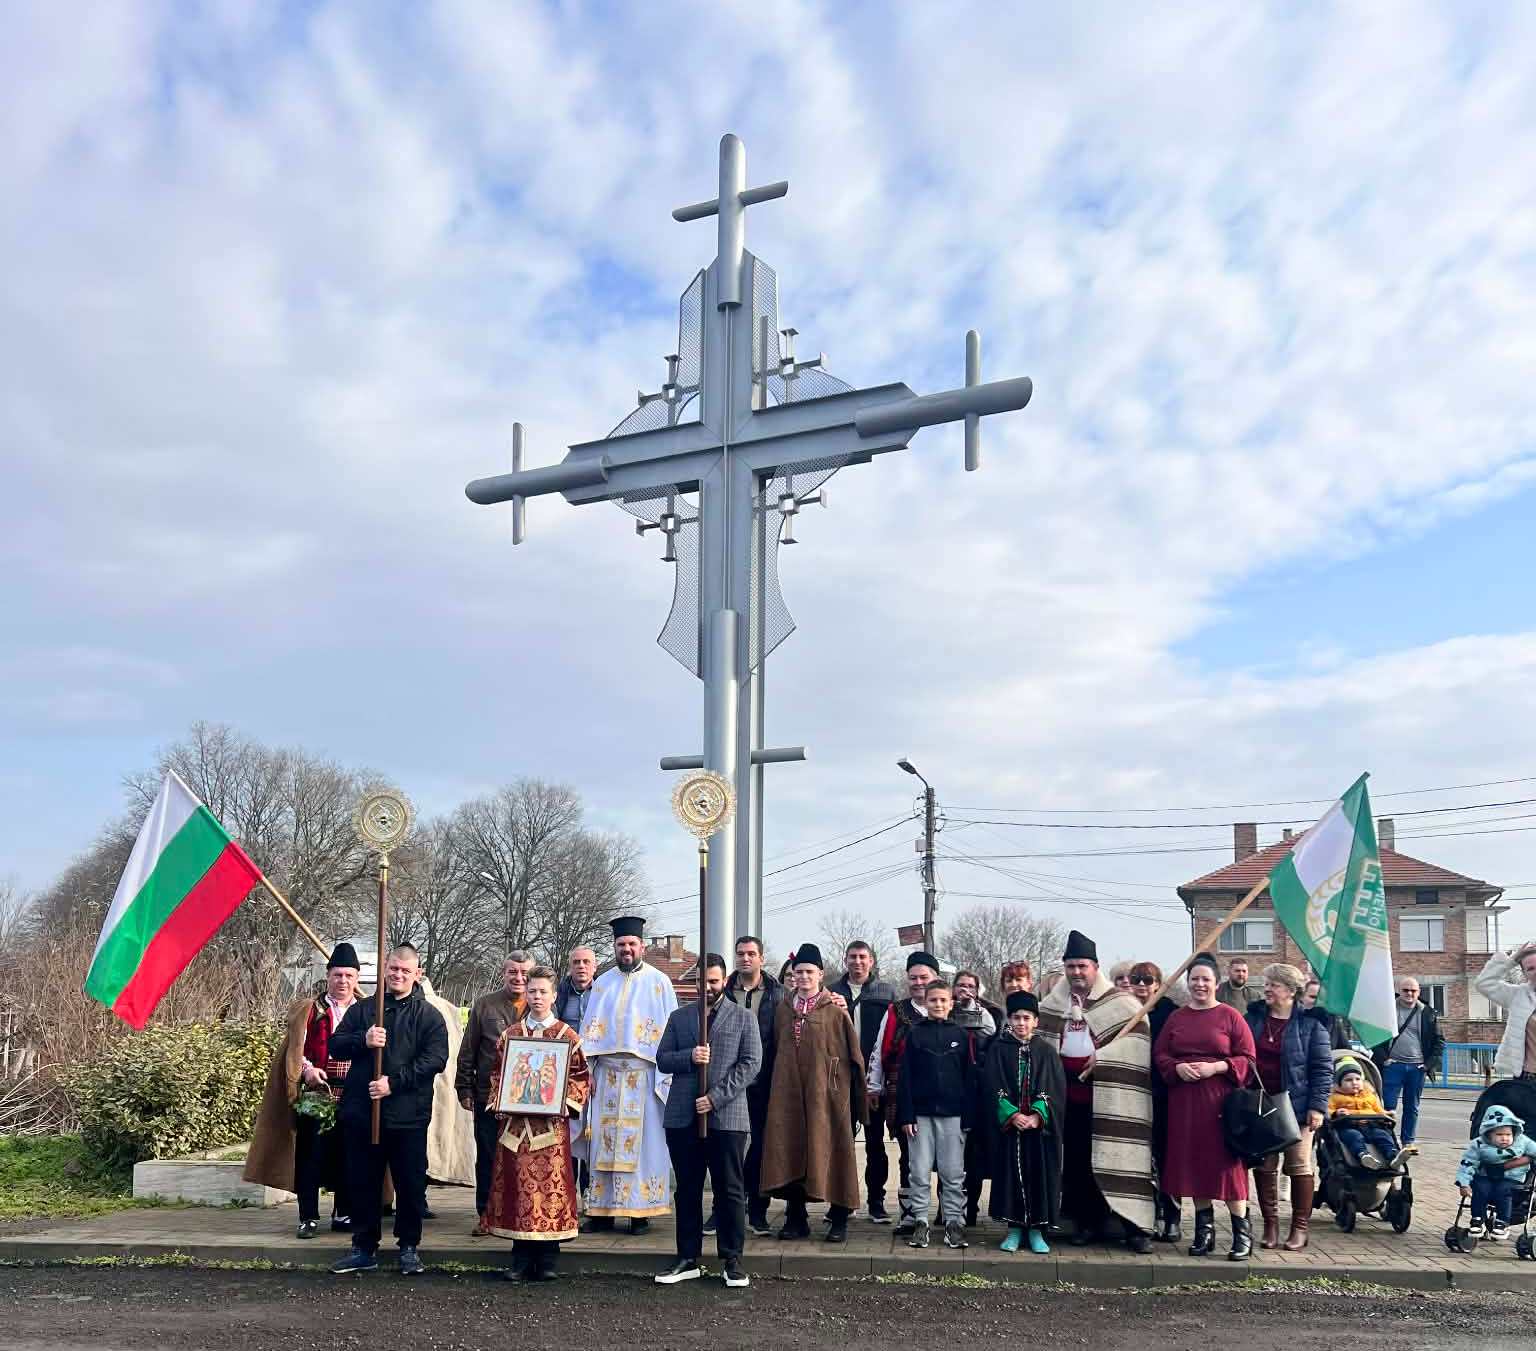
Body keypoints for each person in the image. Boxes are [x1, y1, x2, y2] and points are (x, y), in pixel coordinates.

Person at [329, 944, 450, 1276]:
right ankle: (363, 1247)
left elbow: (435, 1060)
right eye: (393, 968)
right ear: (385, 968)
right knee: (363, 1182)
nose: (398, 975)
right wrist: (364, 1040)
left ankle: (408, 1247)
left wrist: (393, 1083)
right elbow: (336, 1045)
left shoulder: (428, 1016)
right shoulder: (363, 1011)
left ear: (417, 974)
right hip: (362, 1113)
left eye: (405, 971)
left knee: (410, 1184)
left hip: (408, 1115)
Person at [1037, 930, 1157, 1253]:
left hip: (1112, 1097)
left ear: (1096, 967)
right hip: (1068, 1098)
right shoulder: (1051, 1005)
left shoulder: (1122, 1004)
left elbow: (1137, 1044)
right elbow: (1042, 1046)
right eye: (1071, 966)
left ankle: (1134, 1228)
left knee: (1122, 1158)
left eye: (1083, 966)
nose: (1077, 972)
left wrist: (1103, 1058)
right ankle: (1086, 1223)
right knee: (1078, 1164)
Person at [654, 954, 762, 1289]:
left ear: (724, 981)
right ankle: (688, 1257)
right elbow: (662, 1059)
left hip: (727, 1117)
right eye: (702, 981)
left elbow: (751, 1064)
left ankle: (732, 1260)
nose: (707, 987)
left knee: (729, 1189)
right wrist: (689, 1056)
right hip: (682, 1117)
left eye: (713, 981)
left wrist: (715, 1097)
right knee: (687, 1189)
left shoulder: (743, 1018)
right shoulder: (680, 1017)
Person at [482, 966, 591, 1282]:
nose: (537, 997)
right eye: (532, 991)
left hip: (550, 1131)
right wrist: (499, 1101)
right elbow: (497, 1074)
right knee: (518, 1189)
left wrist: (564, 1102)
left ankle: (547, 1260)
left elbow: (581, 1077)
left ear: (554, 995)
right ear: (526, 995)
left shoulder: (567, 1036)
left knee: (550, 1192)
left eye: (543, 991)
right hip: (516, 1129)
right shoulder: (511, 1035)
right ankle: (519, 1259)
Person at [245, 943, 361, 1238]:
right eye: (337, 975)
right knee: (311, 1156)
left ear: (356, 978)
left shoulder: (366, 1011)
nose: (343, 981)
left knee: (349, 1154)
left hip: (354, 1094)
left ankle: (343, 1212)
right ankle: (308, 1217)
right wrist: (308, 1070)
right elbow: (296, 1049)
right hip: (316, 1094)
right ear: (328, 976)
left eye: (348, 975)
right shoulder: (310, 1010)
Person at [759, 943, 865, 1243]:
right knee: (791, 1149)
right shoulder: (783, 1009)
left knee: (834, 1150)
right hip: (788, 1095)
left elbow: (853, 1055)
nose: (803, 977)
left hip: (827, 1096)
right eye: (798, 972)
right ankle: (796, 1218)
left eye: (809, 971)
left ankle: (839, 1217)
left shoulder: (835, 1010)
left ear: (820, 973)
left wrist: (853, 1098)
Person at [579, 916, 678, 1234]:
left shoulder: (660, 982)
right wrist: (589, 1071)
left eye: (632, 944)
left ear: (642, 946)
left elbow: (672, 1030)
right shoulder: (602, 983)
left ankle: (640, 1213)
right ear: (615, 946)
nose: (626, 949)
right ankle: (601, 1212)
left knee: (644, 1144)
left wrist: (666, 1074)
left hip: (644, 1075)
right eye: (621, 944)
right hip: (607, 1077)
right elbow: (589, 1033)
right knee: (602, 1143)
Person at [1154, 952, 1256, 1260]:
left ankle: (1241, 1233)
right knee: (1195, 1166)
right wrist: (1176, 1068)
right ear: (1188, 983)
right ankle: (1204, 1232)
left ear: (1216, 983)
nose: (1200, 984)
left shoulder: (1230, 1016)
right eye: (1194, 979)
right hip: (1185, 1105)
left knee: (1228, 1169)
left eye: (1205, 979)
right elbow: (1160, 1055)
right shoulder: (1177, 1017)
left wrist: (1218, 1067)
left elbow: (1248, 1059)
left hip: (1221, 1104)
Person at [1243, 963, 1331, 1250]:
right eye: (1267, 984)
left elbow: (1322, 1069)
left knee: (1299, 1165)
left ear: (1292, 991)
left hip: (1298, 1108)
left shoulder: (1311, 1025)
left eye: (1274, 985)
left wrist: (1317, 1107)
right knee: (1265, 1166)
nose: (1267, 989)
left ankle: (1300, 1228)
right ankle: (1270, 1226)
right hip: (1262, 1106)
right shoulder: (1252, 1019)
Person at [896, 980, 975, 1250]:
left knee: (952, 1173)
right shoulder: (914, 1034)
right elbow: (905, 1077)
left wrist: (968, 1117)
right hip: (920, 1117)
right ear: (926, 1003)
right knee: (918, 1171)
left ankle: (954, 1223)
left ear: (951, 1003)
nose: (938, 1004)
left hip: (953, 1116)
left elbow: (970, 1078)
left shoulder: (961, 1035)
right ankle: (920, 1221)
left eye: (943, 1000)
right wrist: (906, 1115)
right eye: (933, 1000)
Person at [984, 990, 1064, 1255]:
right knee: (1011, 1178)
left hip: (1039, 1132)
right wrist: (1012, 1114)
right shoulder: (998, 1050)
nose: (1021, 1023)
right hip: (1011, 1130)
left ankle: (1037, 1230)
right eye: (1016, 1018)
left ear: (1036, 1021)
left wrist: (1037, 1115)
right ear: (1010, 1019)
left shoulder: (1047, 1052)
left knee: (1038, 1176)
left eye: (1027, 1018)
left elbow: (1054, 1088)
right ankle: (1015, 1228)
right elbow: (992, 1085)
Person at [457, 953, 530, 1235]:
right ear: (503, 973)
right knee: (488, 1156)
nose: (519, 978)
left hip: (528, 1099)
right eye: (513, 972)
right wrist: (464, 1087)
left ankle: (519, 1214)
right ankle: (486, 1215)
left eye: (525, 972)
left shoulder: (540, 1004)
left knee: (522, 1157)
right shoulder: (485, 1005)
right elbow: (468, 1049)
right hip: (489, 1095)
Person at [867, 951, 940, 1234]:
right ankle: (910, 1216)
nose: (918, 983)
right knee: (908, 1155)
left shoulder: (947, 1007)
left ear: (935, 978)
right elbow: (879, 1050)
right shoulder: (895, 1011)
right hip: (903, 1092)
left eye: (924, 977)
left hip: (942, 1095)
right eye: (913, 978)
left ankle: (948, 1215)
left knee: (946, 1159)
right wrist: (874, 1086)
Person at [828, 940, 897, 1222]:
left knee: (875, 1144)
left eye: (862, 957)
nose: (857, 962)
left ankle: (876, 1201)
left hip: (872, 1078)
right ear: (845, 960)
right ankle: (840, 1202)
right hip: (840, 1077)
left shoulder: (885, 992)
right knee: (839, 1144)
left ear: (871, 961)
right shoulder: (831, 990)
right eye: (852, 957)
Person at [723, 933, 786, 1236]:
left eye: (751, 953)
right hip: (728, 1081)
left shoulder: (777, 993)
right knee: (726, 1147)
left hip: (764, 1081)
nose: (745, 958)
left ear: (761, 957)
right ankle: (722, 1210)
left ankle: (758, 1210)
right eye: (740, 953)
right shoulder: (723, 991)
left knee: (760, 1146)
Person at [1127, 960, 1183, 1243]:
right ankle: (1143, 1216)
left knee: (1166, 1156)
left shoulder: (1171, 1013)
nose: (1141, 985)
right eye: (1136, 979)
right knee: (1137, 1159)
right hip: (1131, 1093)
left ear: (1158, 984)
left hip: (1163, 1094)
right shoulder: (1122, 1010)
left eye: (1147, 980)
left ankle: (1171, 1216)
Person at [417, 975, 476, 1196]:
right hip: (397, 1087)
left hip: (436, 1084)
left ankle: (417, 1198)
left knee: (427, 1143)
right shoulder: (377, 1004)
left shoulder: (444, 1009)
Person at [1369, 976, 1443, 1146]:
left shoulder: (1428, 1013)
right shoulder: (1387, 1009)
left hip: (1417, 1068)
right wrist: (1384, 1059)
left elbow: (1439, 1041)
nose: (1409, 993)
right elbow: (1373, 1035)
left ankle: (1408, 1142)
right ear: (1399, 991)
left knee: (1412, 1107)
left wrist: (1428, 1065)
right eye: (1406, 990)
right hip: (1393, 1066)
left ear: (1419, 992)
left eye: (1413, 990)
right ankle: (1387, 1142)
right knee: (1388, 1107)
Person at [951, 969, 995, 1226]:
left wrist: (972, 1007)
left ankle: (971, 1208)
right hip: (951, 1086)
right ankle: (946, 1207)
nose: (965, 990)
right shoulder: (946, 1007)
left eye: (970, 986)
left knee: (974, 1154)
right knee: (949, 1156)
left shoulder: (986, 1012)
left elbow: (989, 1031)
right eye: (961, 985)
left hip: (976, 1087)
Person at [554, 946, 598, 1200]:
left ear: (594, 966)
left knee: (592, 1135)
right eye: (576, 962)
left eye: (586, 962)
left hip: (596, 1071)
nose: (581, 966)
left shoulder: (603, 993)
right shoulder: (559, 994)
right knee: (568, 1135)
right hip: (565, 1074)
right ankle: (567, 1197)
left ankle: (590, 1195)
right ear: (570, 966)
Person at [1456, 1104, 1536, 1240]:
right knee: (1479, 1187)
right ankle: (1478, 1219)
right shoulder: (1479, 1144)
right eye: (1499, 1135)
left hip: (1512, 1179)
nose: (1504, 1138)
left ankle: (1502, 1222)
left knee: (1503, 1189)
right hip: (1485, 1176)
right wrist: (1464, 1183)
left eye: (1508, 1134)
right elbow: (1468, 1163)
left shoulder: (1522, 1141)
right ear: (1488, 1134)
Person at [1473, 941, 1536, 1085]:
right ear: (1524, 974)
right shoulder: (1518, 995)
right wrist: (1512, 960)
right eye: (1531, 969)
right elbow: (1483, 983)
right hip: (1527, 1078)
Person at [1329, 1058, 1406, 1167]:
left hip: (1372, 1125)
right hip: (1349, 1126)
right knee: (1354, 1137)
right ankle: (1364, 1156)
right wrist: (1336, 1113)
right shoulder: (1335, 1097)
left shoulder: (1369, 1095)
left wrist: (1387, 1114)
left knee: (1382, 1135)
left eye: (1358, 1079)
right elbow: (1328, 1111)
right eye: (1348, 1080)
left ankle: (1393, 1156)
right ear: (1338, 1083)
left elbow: (1378, 1110)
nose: (1354, 1082)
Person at [1301, 978, 1355, 1050]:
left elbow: (1345, 1048)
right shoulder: (1294, 1019)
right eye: (1313, 997)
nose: (1317, 1002)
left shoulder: (1333, 1020)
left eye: (1322, 999)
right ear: (1302, 997)